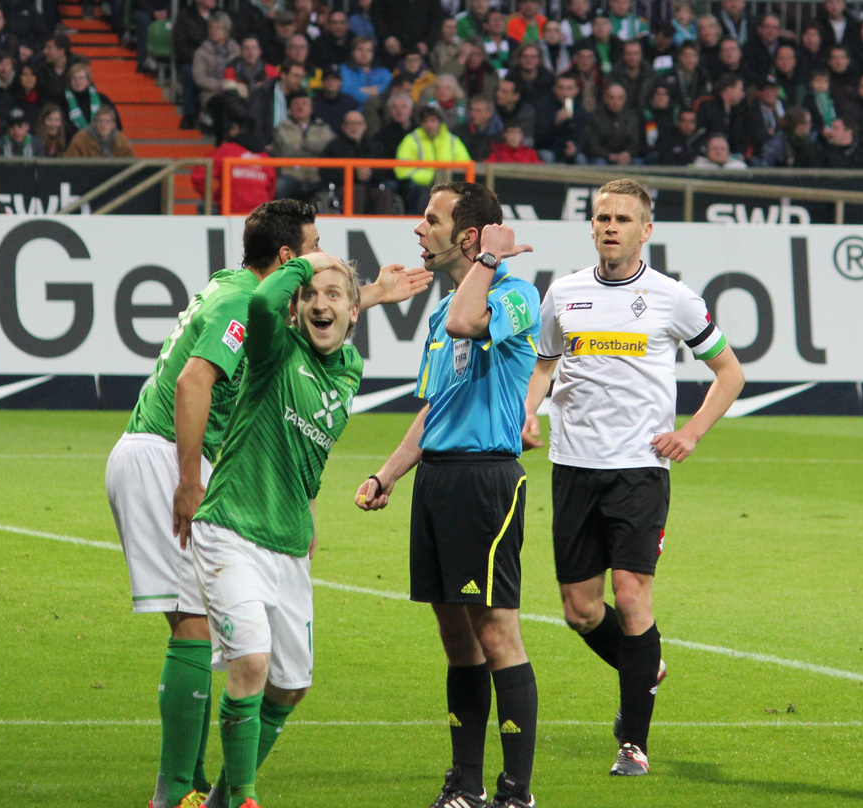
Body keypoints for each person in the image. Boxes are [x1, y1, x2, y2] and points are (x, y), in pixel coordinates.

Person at [105, 200, 426, 808]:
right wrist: (189, 479)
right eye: (312, 250)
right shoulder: (240, 303)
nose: (318, 262)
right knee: (198, 626)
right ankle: (176, 791)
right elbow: (195, 381)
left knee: (207, 630)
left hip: (172, 454)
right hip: (166, 453)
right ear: (287, 261)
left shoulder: (240, 287)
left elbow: (317, 319)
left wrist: (373, 295)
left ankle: (195, 784)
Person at [521, 179, 745, 777]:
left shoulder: (673, 298)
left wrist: (691, 433)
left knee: (632, 594)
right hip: (572, 467)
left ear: (646, 230)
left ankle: (633, 745)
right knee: (579, 610)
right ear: (591, 226)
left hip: (640, 471)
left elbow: (729, 372)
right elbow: (543, 363)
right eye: (602, 217)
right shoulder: (562, 293)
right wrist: (527, 411)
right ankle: (642, 665)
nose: (610, 226)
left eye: (623, 218)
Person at [357, 181, 543, 808]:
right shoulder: (441, 310)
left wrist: (491, 261)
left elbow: (471, 318)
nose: (418, 230)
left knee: (496, 633)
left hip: (485, 479)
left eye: (430, 220)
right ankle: (464, 784)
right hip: (438, 479)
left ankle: (515, 792)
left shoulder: (517, 295)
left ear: (468, 235)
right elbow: (436, 409)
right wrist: (386, 473)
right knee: (454, 636)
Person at [189, 250, 363, 808]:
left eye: (334, 295)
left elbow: (305, 454)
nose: (320, 303)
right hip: (232, 530)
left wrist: (306, 510)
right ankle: (244, 797)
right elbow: (264, 300)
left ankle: (220, 797)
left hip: (289, 544)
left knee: (290, 685)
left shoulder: (351, 370)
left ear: (354, 312)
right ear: (295, 307)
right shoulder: (272, 347)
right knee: (251, 665)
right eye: (310, 295)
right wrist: (308, 263)